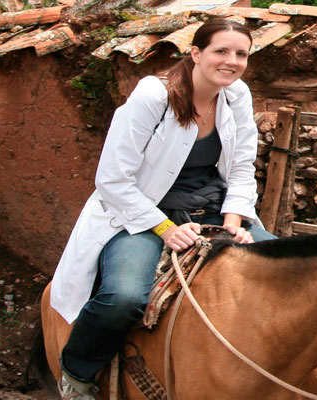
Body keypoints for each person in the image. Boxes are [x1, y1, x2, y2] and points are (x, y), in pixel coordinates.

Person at [48, 19, 275, 399]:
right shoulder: (154, 95)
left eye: (241, 54)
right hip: (139, 214)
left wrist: (235, 222)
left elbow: (240, 168)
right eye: (221, 51)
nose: (232, 61)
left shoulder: (237, 95)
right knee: (123, 298)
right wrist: (164, 228)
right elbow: (112, 179)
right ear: (196, 53)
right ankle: (77, 374)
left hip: (213, 210)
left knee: (283, 275)